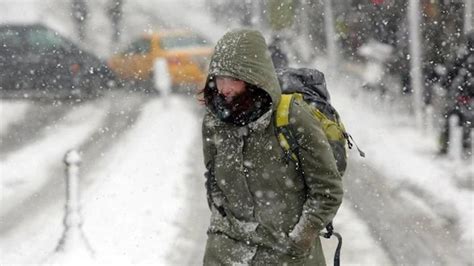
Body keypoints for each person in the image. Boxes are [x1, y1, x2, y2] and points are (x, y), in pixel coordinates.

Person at [201, 29, 343, 265]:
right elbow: (213, 177)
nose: (224, 88)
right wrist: (221, 220)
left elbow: (327, 190)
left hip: (286, 254)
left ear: (253, 78)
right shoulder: (214, 120)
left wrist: (300, 239)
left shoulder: (293, 118)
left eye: (233, 79)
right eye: (219, 78)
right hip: (227, 253)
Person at [438, 30, 474, 157]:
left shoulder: (461, 57)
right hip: (463, 95)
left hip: (461, 95)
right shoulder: (462, 58)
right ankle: (460, 146)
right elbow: (451, 73)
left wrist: (445, 85)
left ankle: (445, 145)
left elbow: (450, 73)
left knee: (452, 117)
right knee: (460, 119)